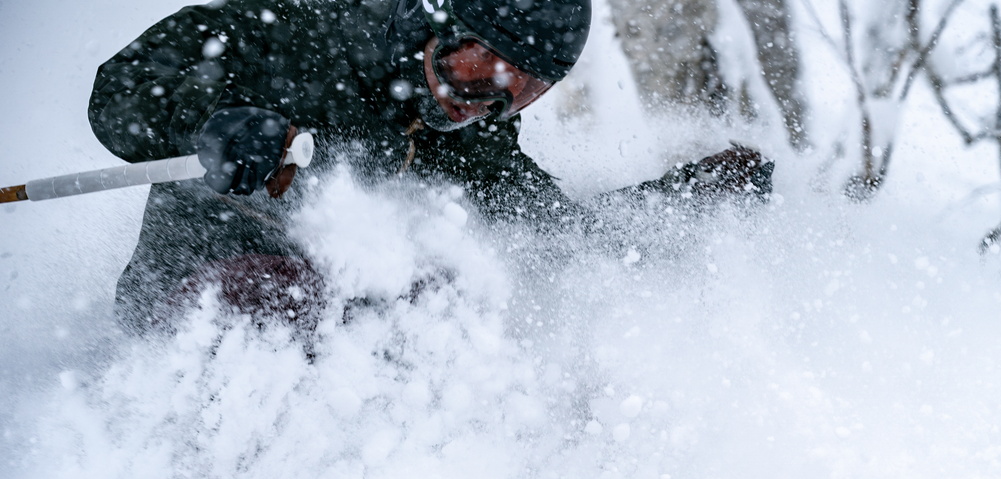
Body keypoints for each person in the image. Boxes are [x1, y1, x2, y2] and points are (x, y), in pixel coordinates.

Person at [88, 0, 774, 334]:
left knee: (452, 300)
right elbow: (121, 92)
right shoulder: (296, 34)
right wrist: (210, 123)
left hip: (330, 359)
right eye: (481, 69)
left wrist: (678, 201)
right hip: (193, 310)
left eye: (522, 91)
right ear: (431, 18)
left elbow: (551, 233)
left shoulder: (464, 141)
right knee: (284, 290)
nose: (485, 104)